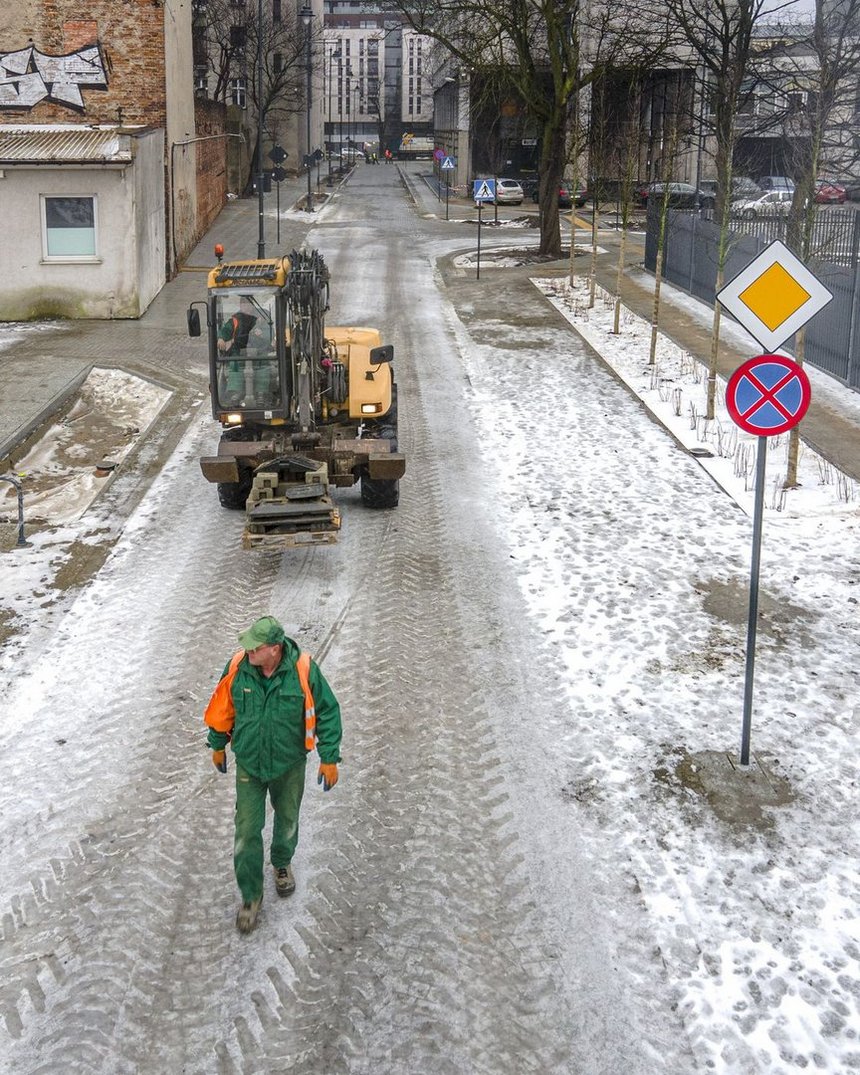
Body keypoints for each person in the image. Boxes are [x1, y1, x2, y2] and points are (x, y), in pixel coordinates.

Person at [204, 615, 342, 934]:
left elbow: (328, 711)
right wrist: (217, 744)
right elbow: (223, 707)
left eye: (256, 647)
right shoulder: (239, 666)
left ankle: (281, 863)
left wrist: (329, 757)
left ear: (275, 649)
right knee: (246, 829)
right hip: (250, 764)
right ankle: (251, 897)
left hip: (289, 763)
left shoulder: (304, 670)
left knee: (288, 817)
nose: (248, 651)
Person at [217, 295, 275, 406]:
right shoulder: (235, 319)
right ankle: (236, 392)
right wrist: (221, 338)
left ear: (252, 305)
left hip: (260, 352)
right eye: (243, 305)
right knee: (235, 365)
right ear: (240, 306)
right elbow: (226, 329)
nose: (246, 307)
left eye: (248, 305)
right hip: (240, 352)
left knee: (263, 366)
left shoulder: (263, 316)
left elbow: (270, 333)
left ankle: (261, 393)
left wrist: (262, 335)